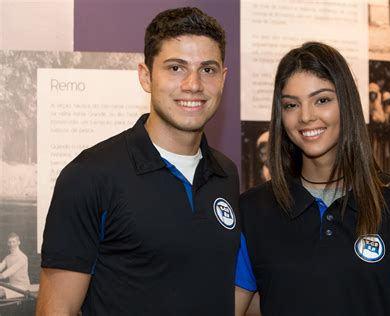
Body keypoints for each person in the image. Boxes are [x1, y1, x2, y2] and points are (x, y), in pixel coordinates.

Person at [36, 7, 240, 315]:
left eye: (208, 69)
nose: (194, 84)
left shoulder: (226, 173)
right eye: (176, 68)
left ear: (223, 78)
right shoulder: (89, 176)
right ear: (146, 76)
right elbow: (56, 310)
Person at [234, 42, 390, 316]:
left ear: (346, 103)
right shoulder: (253, 210)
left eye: (322, 100)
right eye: (291, 104)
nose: (306, 116)